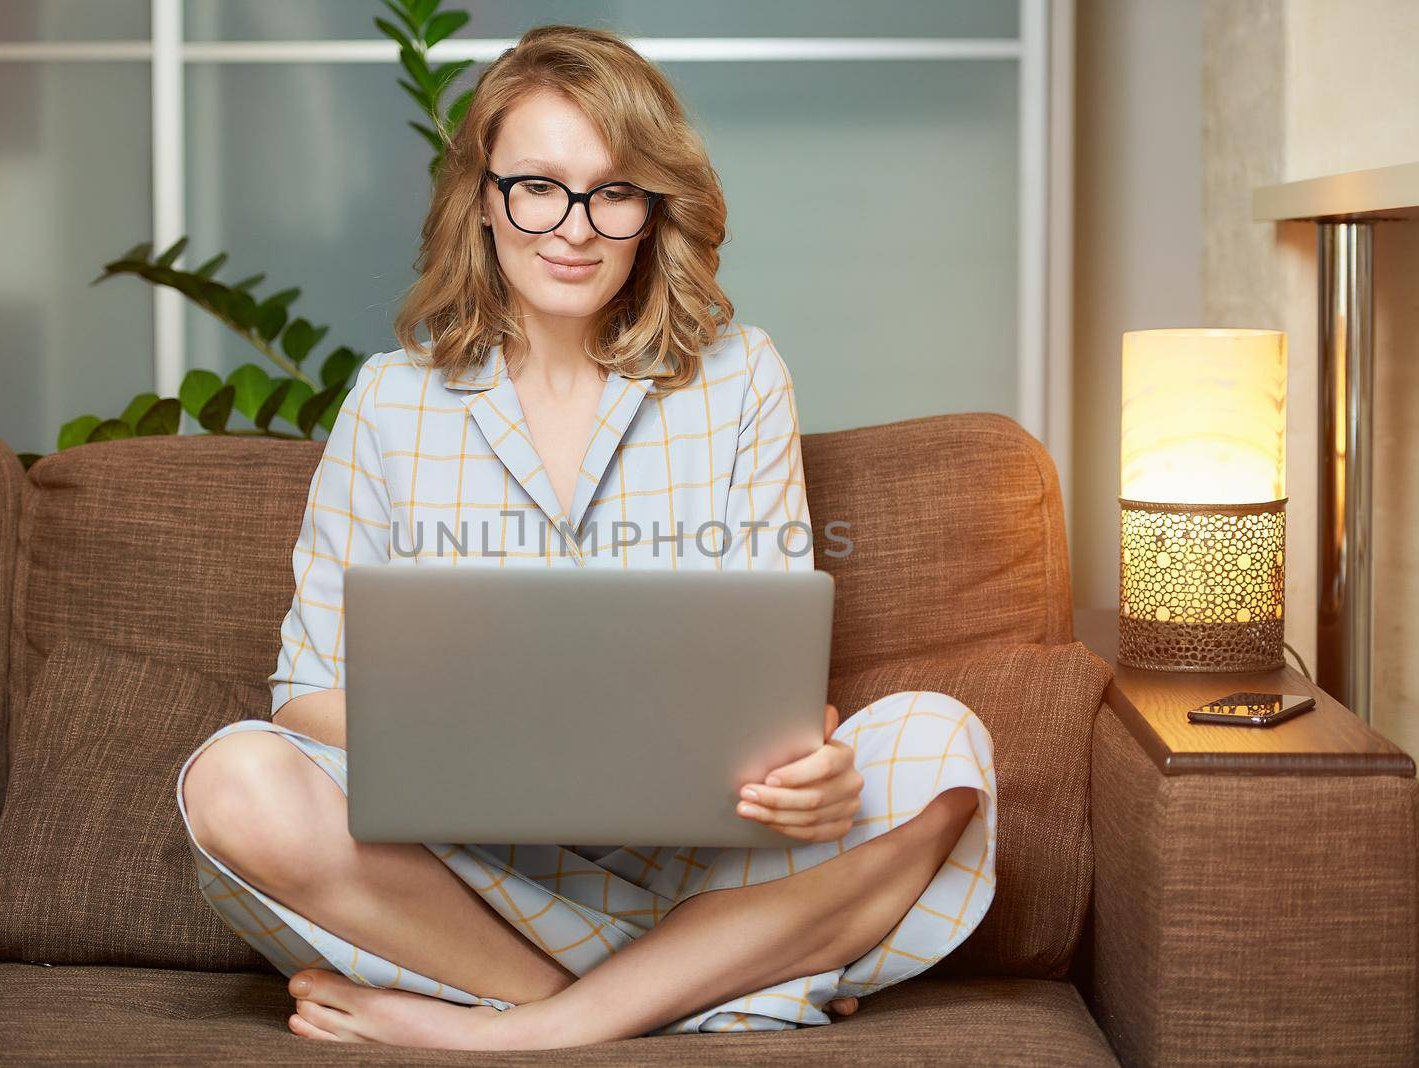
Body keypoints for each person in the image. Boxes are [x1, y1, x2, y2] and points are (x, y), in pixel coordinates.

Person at [175, 23, 995, 1052]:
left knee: (941, 749)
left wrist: (808, 772)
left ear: (653, 211)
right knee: (235, 780)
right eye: (537, 186)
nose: (574, 228)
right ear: (482, 196)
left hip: (695, 861)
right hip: (470, 867)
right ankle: (654, 999)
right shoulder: (390, 401)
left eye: (613, 191)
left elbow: (768, 671)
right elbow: (303, 690)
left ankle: (519, 1028)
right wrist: (487, 738)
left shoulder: (739, 376)